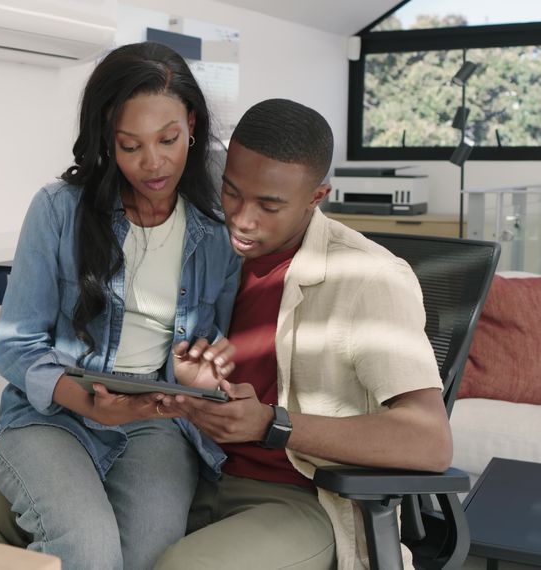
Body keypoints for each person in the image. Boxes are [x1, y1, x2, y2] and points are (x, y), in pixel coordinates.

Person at [155, 98, 453, 569]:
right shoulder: (209, 251)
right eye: (232, 192)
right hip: (193, 472)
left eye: (269, 205)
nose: (242, 218)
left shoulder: (371, 278)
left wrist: (270, 424)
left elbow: (429, 442)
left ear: (317, 197)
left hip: (299, 498)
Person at [0, 42, 241, 570]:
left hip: (157, 419)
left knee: (149, 559)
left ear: (191, 125)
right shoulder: (58, 209)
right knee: (88, 549)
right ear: (108, 139)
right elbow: (15, 345)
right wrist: (87, 403)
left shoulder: (218, 224)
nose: (153, 162)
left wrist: (202, 370)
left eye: (168, 139)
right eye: (130, 146)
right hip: (53, 414)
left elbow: (216, 337)